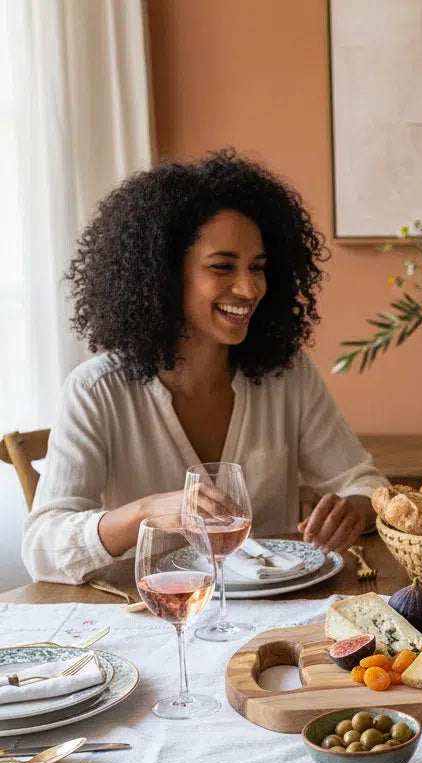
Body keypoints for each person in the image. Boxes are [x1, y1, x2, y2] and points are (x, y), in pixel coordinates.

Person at [23, 150, 388, 584]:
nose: (249, 287)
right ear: (164, 274)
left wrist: (353, 510)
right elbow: (42, 546)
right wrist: (148, 511)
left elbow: (365, 484)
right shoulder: (96, 390)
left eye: (257, 268)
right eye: (222, 267)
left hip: (272, 625)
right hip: (152, 622)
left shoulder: (287, 377)